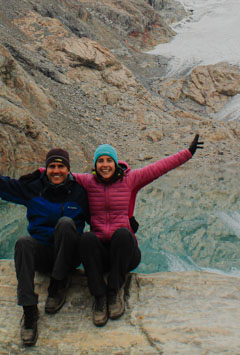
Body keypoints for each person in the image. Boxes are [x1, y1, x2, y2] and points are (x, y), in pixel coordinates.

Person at [0, 140, 89, 348]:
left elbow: (103, 217)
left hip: (69, 256)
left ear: (68, 170)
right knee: (23, 243)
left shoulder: (79, 193)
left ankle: (58, 285)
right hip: (43, 254)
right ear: (47, 169)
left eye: (61, 167)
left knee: (66, 223)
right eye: (52, 166)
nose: (56, 171)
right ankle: (29, 310)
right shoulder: (33, 188)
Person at [73, 134, 203, 326]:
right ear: (95, 166)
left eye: (109, 160)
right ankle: (99, 297)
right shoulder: (87, 182)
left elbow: (159, 167)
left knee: (124, 233)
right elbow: (58, 174)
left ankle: (114, 291)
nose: (105, 165)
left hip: (125, 254)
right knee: (85, 239)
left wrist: (188, 153)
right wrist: (39, 173)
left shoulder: (130, 180)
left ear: (116, 163)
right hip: (102, 256)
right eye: (100, 161)